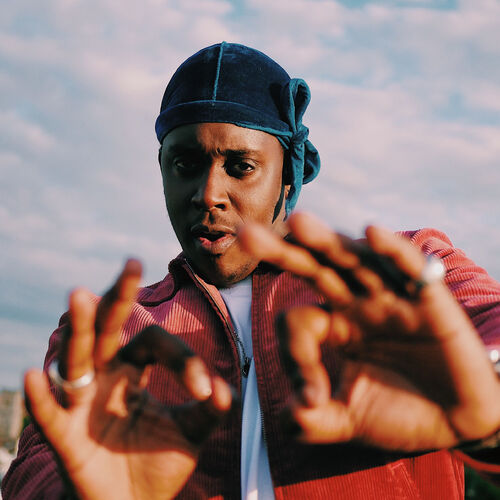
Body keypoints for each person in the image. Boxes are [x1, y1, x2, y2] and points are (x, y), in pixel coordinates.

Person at [3, 42, 500, 500]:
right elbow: (34, 472)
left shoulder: (399, 278)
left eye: (240, 166)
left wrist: (489, 411)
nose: (208, 194)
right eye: (185, 164)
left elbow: (488, 320)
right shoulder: (110, 332)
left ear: (288, 175)